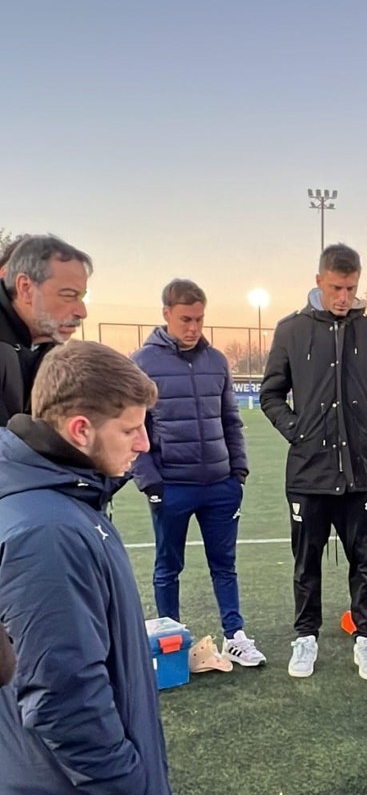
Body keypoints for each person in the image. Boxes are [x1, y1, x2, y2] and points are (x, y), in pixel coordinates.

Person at [0, 341, 177, 795]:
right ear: (80, 430)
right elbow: (63, 698)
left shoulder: (54, 494)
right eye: (131, 428)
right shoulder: (45, 529)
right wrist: (125, 792)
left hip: (40, 785)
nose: (144, 442)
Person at [260, 243, 367, 680]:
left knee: (364, 560)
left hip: (361, 472)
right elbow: (270, 394)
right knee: (306, 563)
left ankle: (366, 638)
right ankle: (305, 638)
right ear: (320, 280)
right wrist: (297, 431)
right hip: (308, 473)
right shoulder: (290, 330)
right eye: (337, 287)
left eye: (351, 288)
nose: (343, 296)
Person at [131, 279, 265, 668]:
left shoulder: (217, 361)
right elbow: (133, 425)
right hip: (172, 487)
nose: (193, 327)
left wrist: (237, 471)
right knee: (167, 566)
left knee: (224, 564)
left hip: (220, 485)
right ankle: (169, 642)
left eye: (199, 319)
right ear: (166, 315)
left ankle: (235, 636)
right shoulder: (142, 363)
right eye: (185, 319)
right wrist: (150, 481)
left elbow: (230, 419)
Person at [0, 233, 91, 425]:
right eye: (69, 295)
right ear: (25, 288)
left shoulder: (51, 351)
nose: (82, 312)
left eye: (81, 297)